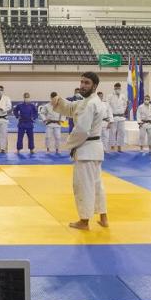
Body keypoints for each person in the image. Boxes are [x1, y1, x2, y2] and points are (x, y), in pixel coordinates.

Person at [48, 72, 109, 230]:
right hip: (94, 150)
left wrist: (69, 144)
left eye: (86, 83)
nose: (82, 85)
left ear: (94, 86)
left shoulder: (90, 104)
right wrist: (59, 101)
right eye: (81, 82)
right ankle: (103, 217)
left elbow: (82, 129)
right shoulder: (89, 101)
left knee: (83, 186)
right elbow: (70, 108)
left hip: (86, 150)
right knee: (96, 184)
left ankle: (84, 221)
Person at [107, 83, 128, 153]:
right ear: (114, 88)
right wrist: (109, 117)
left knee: (121, 132)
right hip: (113, 116)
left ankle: (119, 147)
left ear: (120, 88)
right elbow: (108, 106)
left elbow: (125, 104)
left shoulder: (123, 96)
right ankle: (112, 146)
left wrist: (123, 112)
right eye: (116, 88)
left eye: (118, 88)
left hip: (121, 116)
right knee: (112, 132)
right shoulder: (110, 96)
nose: (117, 89)